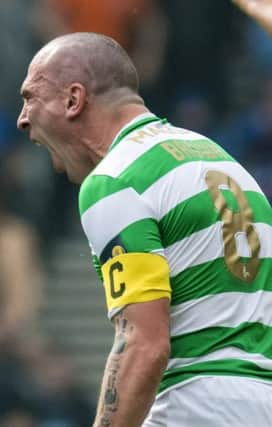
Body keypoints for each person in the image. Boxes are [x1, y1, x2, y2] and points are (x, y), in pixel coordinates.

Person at [17, 32, 272, 426]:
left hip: (195, 404)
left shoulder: (116, 178)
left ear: (73, 100)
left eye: (30, 97)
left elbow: (144, 342)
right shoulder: (220, 161)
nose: (22, 119)